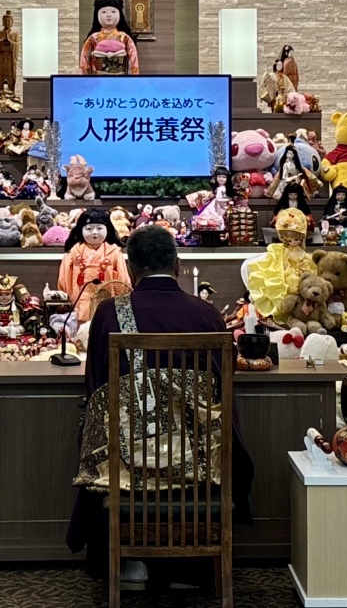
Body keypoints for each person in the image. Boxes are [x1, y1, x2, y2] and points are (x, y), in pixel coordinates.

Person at [67, 225, 254, 590]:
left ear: (130, 269)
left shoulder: (110, 313)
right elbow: (223, 393)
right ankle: (191, 566)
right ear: (177, 266)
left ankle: (131, 560)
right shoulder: (206, 314)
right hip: (199, 464)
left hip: (130, 466)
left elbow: (97, 389)